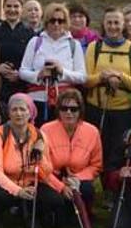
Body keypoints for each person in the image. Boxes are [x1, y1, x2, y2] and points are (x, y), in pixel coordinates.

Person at [0, 93, 65, 228]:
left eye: (23, 109)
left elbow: (48, 171)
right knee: (2, 197)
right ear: (9, 113)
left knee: (55, 200)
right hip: (4, 182)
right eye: (14, 109)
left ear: (30, 113)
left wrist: (40, 155)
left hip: (30, 181)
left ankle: (31, 214)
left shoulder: (40, 135)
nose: (18, 113)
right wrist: (18, 191)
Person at [84, 6, 131, 165]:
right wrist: (102, 77)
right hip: (96, 110)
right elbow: (85, 80)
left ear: (123, 24)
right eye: (109, 22)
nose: (113, 26)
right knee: (95, 151)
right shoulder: (94, 48)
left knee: (118, 154)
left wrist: (120, 76)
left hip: (123, 113)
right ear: (103, 24)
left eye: (116, 22)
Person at [18, 3, 87, 124]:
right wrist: (39, 74)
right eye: (52, 20)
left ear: (66, 23)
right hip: (37, 99)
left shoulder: (74, 45)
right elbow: (22, 71)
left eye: (60, 21)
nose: (56, 24)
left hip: (65, 103)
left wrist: (62, 72)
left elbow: (82, 77)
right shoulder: (35, 42)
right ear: (46, 22)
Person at [40, 89, 103, 218]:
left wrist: (77, 178)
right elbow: (41, 165)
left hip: (78, 179)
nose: (69, 112)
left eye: (73, 109)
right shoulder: (45, 129)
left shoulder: (92, 132)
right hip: (52, 178)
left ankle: (83, 212)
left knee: (87, 189)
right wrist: (61, 186)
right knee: (55, 206)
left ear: (80, 111)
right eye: (64, 108)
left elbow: (96, 165)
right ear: (58, 110)